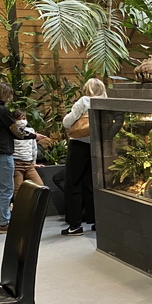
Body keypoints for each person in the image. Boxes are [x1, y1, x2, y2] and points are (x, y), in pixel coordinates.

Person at [0, 82, 39, 234]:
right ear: (4, 94)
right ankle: (4, 222)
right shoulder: (1, 111)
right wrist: (35, 136)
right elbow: (17, 132)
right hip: (2, 152)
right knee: (7, 188)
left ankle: (3, 219)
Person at [60, 77, 107, 236]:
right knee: (90, 183)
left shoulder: (84, 101)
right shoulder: (106, 102)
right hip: (96, 145)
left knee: (73, 184)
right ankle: (96, 222)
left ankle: (75, 225)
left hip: (78, 145)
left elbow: (67, 122)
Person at [12, 109, 47, 191]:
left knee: (40, 186)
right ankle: (18, 204)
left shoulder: (30, 131)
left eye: (24, 119)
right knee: (18, 188)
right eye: (19, 119)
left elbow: (33, 148)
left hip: (29, 164)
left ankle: (34, 203)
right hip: (16, 164)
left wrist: (34, 163)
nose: (22, 121)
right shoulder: (12, 132)